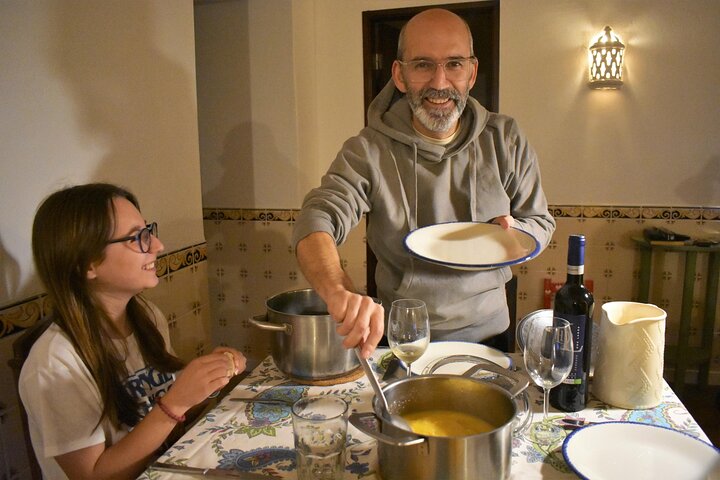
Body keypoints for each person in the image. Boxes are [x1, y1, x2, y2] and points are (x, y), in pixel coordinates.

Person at [292, 8, 555, 357]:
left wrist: (517, 232)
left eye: (454, 64)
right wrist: (339, 290)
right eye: (423, 65)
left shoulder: (505, 139)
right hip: (404, 339)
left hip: (492, 336)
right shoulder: (368, 150)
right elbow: (317, 218)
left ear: (472, 72)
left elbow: (540, 221)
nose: (440, 83)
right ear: (399, 75)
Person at [20, 183, 247, 480]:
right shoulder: (54, 364)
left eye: (149, 230)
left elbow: (166, 422)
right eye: (137, 237)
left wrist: (207, 380)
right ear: (87, 262)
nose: (157, 245)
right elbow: (94, 476)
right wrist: (176, 402)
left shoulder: (147, 317)